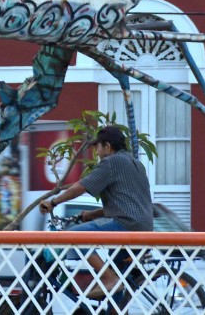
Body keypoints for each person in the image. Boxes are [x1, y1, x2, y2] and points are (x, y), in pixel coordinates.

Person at [38, 125, 153, 298]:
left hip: (126, 225)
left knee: (72, 236)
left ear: (107, 146)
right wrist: (92, 215)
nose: (97, 153)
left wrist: (53, 201)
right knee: (117, 277)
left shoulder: (111, 162)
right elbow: (125, 204)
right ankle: (115, 296)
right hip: (144, 228)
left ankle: (109, 279)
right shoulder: (136, 164)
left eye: (97, 148)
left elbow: (81, 186)